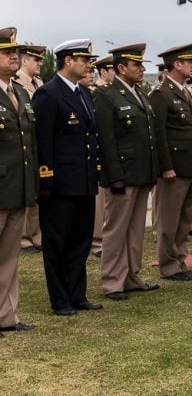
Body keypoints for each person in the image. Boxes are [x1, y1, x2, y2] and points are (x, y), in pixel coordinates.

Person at [32, 38, 102, 316]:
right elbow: (43, 141)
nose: (88, 65)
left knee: (80, 240)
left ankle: (77, 294)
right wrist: (46, 178)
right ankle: (60, 299)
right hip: (60, 183)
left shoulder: (84, 93)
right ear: (68, 61)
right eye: (84, 60)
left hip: (83, 181)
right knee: (58, 242)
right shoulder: (48, 94)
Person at [94, 43, 161, 300]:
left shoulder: (139, 93)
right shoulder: (106, 95)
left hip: (142, 172)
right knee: (116, 229)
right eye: (137, 65)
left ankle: (132, 275)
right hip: (122, 174)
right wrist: (115, 175)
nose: (142, 69)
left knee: (135, 230)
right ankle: (112, 281)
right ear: (121, 68)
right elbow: (106, 139)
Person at [149, 44, 192, 282]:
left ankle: (180, 261)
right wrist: (165, 166)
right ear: (176, 64)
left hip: (189, 166)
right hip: (174, 168)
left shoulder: (183, 91)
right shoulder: (161, 93)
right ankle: (168, 265)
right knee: (169, 220)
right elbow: (158, 134)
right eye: (188, 61)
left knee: (183, 219)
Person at [0, 27, 38, 333]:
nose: (14, 56)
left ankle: (6, 316)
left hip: (18, 186)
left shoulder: (21, 92)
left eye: (15, 52)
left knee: (9, 258)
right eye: (7, 52)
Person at [14, 44, 46, 254]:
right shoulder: (17, 83)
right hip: (22, 142)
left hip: (37, 140)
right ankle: (24, 238)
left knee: (36, 189)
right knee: (24, 191)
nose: (40, 64)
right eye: (36, 60)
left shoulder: (39, 83)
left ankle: (35, 235)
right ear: (24, 61)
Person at [90, 55, 114, 258]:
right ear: (104, 71)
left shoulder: (108, 92)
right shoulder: (96, 93)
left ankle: (102, 239)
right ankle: (97, 242)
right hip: (95, 155)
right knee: (99, 203)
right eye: (112, 69)